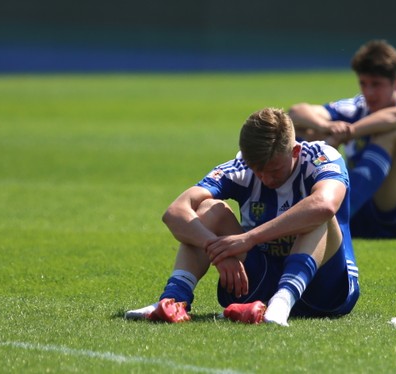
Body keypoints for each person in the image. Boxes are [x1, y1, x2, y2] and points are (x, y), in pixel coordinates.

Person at [125, 107, 359, 326]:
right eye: (258, 170)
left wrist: (249, 239)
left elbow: (325, 205)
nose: (266, 178)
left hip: (326, 290)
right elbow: (175, 212)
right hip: (261, 280)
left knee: (317, 214)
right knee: (209, 209)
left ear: (295, 151)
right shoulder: (241, 167)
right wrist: (215, 248)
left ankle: (283, 301)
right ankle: (173, 301)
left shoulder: (321, 157)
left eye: (274, 169)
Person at [289, 40, 396, 239]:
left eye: (376, 84)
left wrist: (350, 131)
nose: (368, 92)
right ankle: (299, 210)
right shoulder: (355, 108)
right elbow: (296, 112)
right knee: (308, 132)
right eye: (363, 83)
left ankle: (331, 214)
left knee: (390, 135)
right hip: (364, 216)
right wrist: (326, 129)